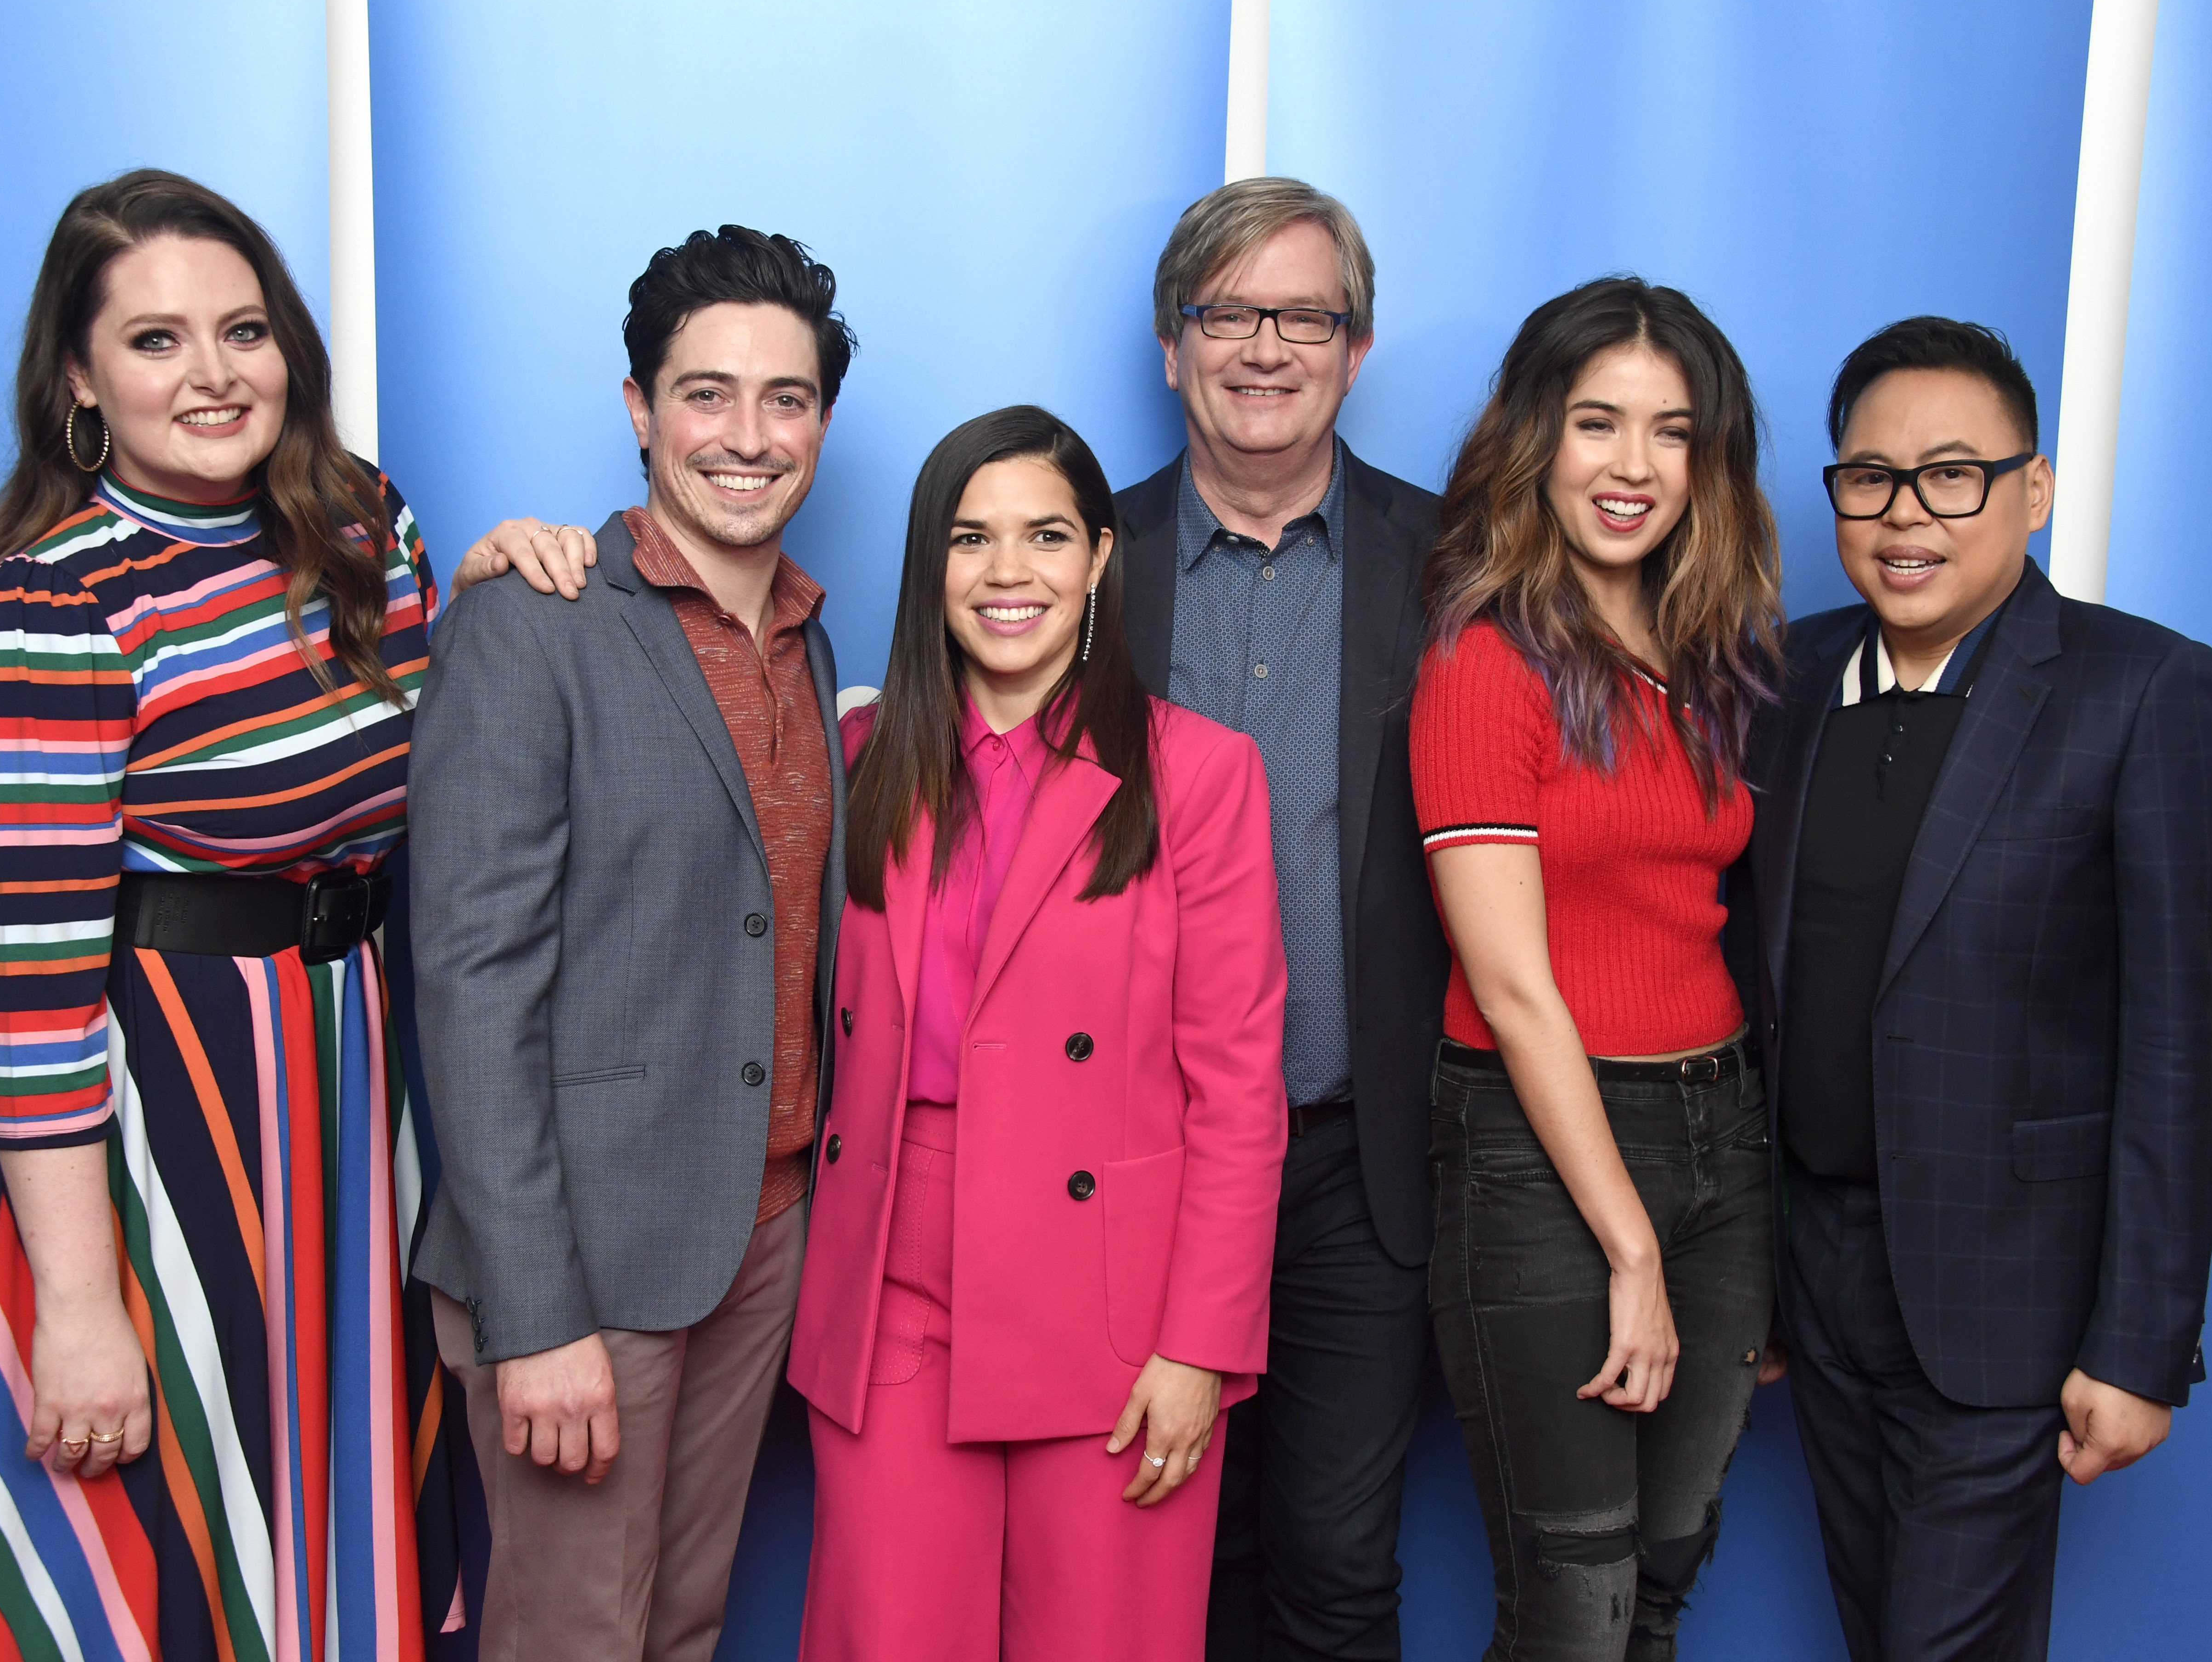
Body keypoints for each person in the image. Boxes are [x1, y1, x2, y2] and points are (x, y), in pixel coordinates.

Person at [0, 169, 465, 1661]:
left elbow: (459, 750)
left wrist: (516, 572)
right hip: (130, 1116)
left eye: (243, 331)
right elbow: (29, 991)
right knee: (151, 1543)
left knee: (306, 1507)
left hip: (332, 1085)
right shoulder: (47, 611)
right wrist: (82, 1303)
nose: (214, 374)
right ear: (80, 379)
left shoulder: (364, 524)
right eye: (157, 341)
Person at [1741, 318, 2212, 1661]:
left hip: (2010, 1295)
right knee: (1878, 1631)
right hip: (1821, 1280)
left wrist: (2144, 1345)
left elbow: (2183, 1052)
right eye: (1871, 478)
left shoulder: (2143, 691)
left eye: (1954, 475)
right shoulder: (1778, 682)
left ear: (2032, 491)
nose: (1908, 515)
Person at [408, 225, 852, 1662]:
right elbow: (472, 990)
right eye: (705, 393)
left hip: (761, 1230)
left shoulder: (809, 639)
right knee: (572, 1640)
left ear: (822, 425)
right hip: (581, 1259)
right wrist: (535, 1316)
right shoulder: (531, 624)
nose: (747, 434)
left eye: (784, 399)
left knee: (681, 1628)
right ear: (638, 407)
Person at [785, 404, 1288, 1661]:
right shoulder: (855, 760)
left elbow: (1239, 1092)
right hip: (895, 1279)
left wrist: (1201, 1348)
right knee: (890, 1636)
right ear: (930, 567)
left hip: (1119, 1306)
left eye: (1047, 536)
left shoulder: (1201, 774)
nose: (1009, 574)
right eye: (971, 539)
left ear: (1101, 560)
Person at [1411, 277, 1784, 1660]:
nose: (1633, 467)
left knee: (1667, 1574)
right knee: (1577, 1608)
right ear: (1535, 440)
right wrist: (1632, 1247)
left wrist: (1706, 1212)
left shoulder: (1709, 657)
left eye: (1671, 432)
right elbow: (1512, 986)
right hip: (1543, 1155)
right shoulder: (1485, 661)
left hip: (1721, 1135)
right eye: (1597, 424)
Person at [1111, 176, 1452, 1662]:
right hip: (1126, 1161)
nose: (1265, 347)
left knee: (1333, 1570)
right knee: (1154, 1561)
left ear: (1356, 349)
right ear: (1172, 347)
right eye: (1227, 314)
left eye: (1302, 315)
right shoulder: (1073, 562)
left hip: (1354, 1165)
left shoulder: (1455, 567)